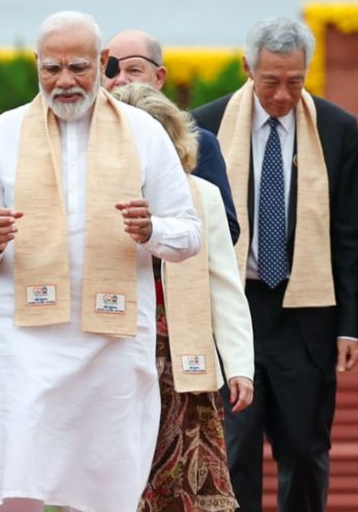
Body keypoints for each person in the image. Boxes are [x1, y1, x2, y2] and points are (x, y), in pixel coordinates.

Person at [0, 11, 201, 512]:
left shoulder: (144, 133)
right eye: (51, 69)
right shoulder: (4, 133)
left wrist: (152, 230)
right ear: (36, 65)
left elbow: (189, 235)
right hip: (23, 338)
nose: (64, 81)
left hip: (111, 341)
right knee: (17, 471)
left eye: (78, 68)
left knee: (103, 482)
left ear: (103, 63)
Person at [192, 18, 358, 512]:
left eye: (295, 81)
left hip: (305, 314)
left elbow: (350, 236)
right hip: (232, 309)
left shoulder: (336, 128)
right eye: (271, 81)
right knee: (235, 450)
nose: (283, 95)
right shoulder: (205, 124)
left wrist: (351, 327)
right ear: (248, 68)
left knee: (306, 452)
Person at [112, 82, 254, 512]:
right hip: (113, 356)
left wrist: (239, 366)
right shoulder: (93, 197)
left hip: (182, 365)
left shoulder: (203, 196)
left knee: (187, 494)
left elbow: (224, 286)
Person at [104, 29, 240, 243]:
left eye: (133, 70)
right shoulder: (89, 139)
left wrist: (160, 231)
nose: (120, 80)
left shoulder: (195, 143)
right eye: (111, 71)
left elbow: (226, 230)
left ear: (159, 77)